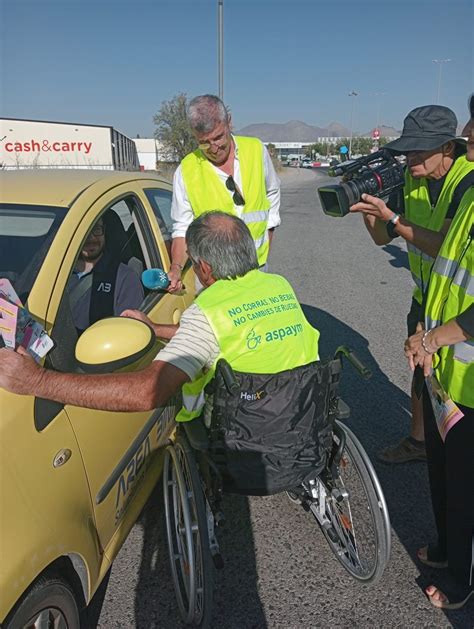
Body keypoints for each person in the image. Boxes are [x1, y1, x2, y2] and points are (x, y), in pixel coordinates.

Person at [0, 213, 319, 421]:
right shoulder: (278, 284)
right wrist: (154, 327)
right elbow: (230, 329)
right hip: (304, 406)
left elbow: (146, 391)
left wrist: (38, 380)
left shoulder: (208, 310)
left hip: (243, 426)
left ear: (204, 268)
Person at [350, 105, 474, 463]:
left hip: (460, 303)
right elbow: (380, 238)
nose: (410, 158)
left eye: (419, 150)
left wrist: (394, 218)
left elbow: (442, 244)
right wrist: (368, 209)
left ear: (448, 149)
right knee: (422, 371)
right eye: (407, 149)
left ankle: (456, 448)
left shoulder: (467, 180)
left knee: (457, 379)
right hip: (427, 296)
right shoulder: (410, 179)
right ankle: (421, 441)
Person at [403, 95, 474, 610]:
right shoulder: (469, 193)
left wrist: (430, 338)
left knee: (466, 485)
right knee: (446, 475)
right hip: (446, 367)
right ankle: (450, 550)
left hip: (466, 373)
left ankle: (461, 582)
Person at [168, 94, 281, 292]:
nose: (214, 148)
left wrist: (269, 234)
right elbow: (182, 227)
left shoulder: (256, 150)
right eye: (204, 142)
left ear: (229, 122)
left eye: (218, 137)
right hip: (212, 280)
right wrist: (176, 268)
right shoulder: (186, 171)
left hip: (257, 271)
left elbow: (272, 192)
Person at [69, 216, 144, 334]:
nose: (91, 238)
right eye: (85, 230)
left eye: (97, 229)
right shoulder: (54, 271)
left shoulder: (125, 277)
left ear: (105, 231)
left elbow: (129, 332)